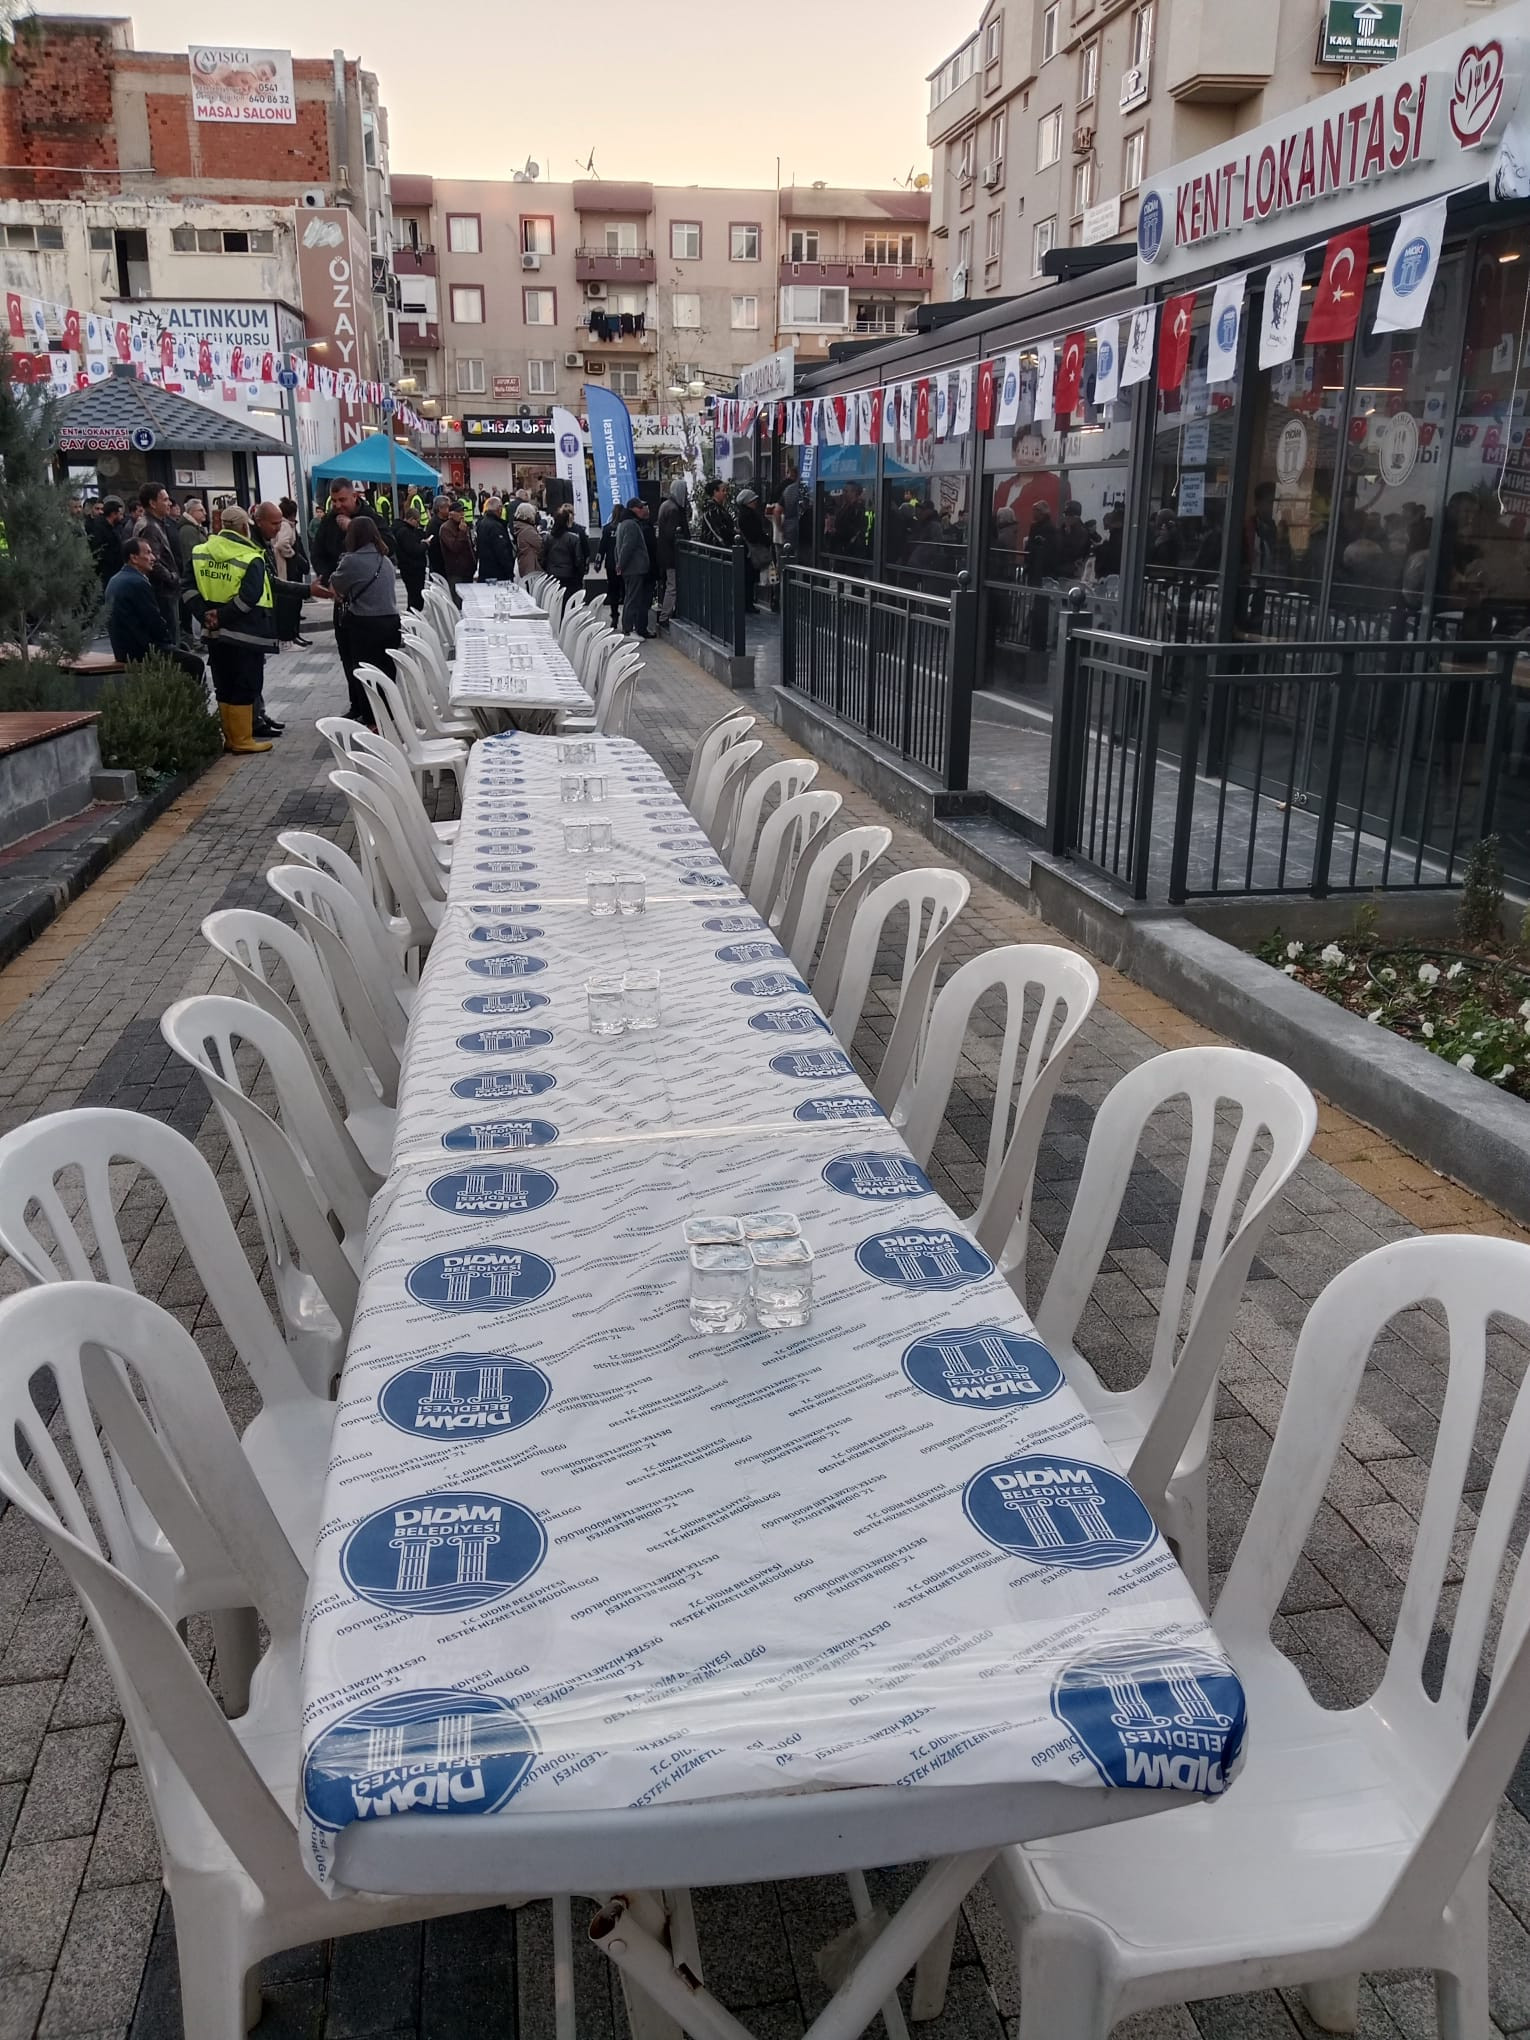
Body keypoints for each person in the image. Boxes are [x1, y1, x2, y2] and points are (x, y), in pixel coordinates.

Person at [191, 504, 276, 755]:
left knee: (224, 685)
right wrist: (223, 616)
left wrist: (206, 615)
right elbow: (249, 597)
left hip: (214, 634)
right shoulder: (251, 556)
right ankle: (242, 739)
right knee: (245, 684)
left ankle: (230, 738)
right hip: (245, 634)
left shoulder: (200, 552)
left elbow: (187, 588)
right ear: (243, 528)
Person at [331, 514, 403, 723]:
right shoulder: (385, 560)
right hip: (391, 623)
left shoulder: (351, 560)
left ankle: (371, 718)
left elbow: (336, 585)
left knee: (364, 672)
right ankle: (390, 714)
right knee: (386, 671)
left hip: (365, 624)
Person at [105, 537, 205, 683]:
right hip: (139, 650)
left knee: (182, 649)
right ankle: (185, 697)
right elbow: (153, 621)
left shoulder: (116, 579)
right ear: (134, 558)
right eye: (148, 553)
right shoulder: (137, 582)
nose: (153, 558)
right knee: (195, 663)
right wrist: (167, 642)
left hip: (122, 648)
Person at [129, 483, 182, 644]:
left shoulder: (157, 523)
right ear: (152, 503)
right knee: (169, 639)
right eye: (165, 500)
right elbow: (152, 562)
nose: (169, 503)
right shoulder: (150, 527)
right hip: (162, 592)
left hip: (163, 590)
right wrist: (172, 578)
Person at [615, 497, 653, 636]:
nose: (643, 509)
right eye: (640, 507)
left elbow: (618, 548)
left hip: (630, 568)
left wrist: (619, 563)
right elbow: (627, 546)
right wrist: (621, 564)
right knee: (632, 599)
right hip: (634, 568)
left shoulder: (623, 524)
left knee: (630, 598)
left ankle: (628, 628)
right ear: (633, 509)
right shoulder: (631, 524)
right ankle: (628, 629)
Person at [655, 477, 690, 628]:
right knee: (672, 586)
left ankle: (665, 612)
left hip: (664, 553)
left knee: (669, 584)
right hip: (671, 555)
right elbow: (672, 534)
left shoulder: (665, 505)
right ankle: (665, 616)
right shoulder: (674, 510)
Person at [429, 499, 476, 599]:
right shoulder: (446, 528)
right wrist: (462, 532)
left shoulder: (463, 525)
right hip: (456, 572)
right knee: (458, 600)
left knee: (469, 598)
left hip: (468, 570)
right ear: (451, 514)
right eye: (459, 512)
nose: (462, 514)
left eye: (463, 511)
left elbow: (469, 546)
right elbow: (455, 548)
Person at [735, 488, 772, 612]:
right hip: (751, 550)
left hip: (749, 550)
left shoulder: (744, 514)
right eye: (753, 500)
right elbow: (754, 534)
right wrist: (766, 539)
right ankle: (748, 604)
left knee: (749, 578)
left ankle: (748, 603)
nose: (755, 502)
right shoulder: (748, 516)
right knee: (749, 578)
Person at [544, 506, 587, 597]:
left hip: (552, 574)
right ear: (567, 522)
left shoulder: (547, 538)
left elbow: (543, 557)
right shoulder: (573, 538)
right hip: (569, 576)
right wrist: (579, 574)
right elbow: (578, 559)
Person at [85, 497, 125, 594]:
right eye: (119, 514)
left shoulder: (113, 528)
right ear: (113, 514)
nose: (122, 517)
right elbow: (99, 550)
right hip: (106, 573)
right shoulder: (99, 529)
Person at [394, 503, 429, 611]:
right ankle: (412, 617)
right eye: (417, 521)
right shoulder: (404, 532)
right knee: (415, 598)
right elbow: (414, 550)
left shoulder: (407, 530)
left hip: (411, 568)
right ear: (411, 519)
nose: (418, 524)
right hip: (412, 569)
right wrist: (425, 545)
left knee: (415, 597)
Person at [475, 495, 516, 582]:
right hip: (497, 572)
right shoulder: (496, 526)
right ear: (499, 509)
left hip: (485, 569)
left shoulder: (482, 523)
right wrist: (509, 570)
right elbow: (501, 550)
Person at [600, 502, 627, 627]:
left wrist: (598, 562)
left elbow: (602, 547)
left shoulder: (607, 529)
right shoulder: (626, 528)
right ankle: (627, 617)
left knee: (613, 591)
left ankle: (614, 615)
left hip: (611, 564)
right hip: (624, 564)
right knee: (626, 590)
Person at [697, 480, 735, 551]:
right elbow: (718, 529)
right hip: (714, 548)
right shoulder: (711, 508)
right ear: (715, 492)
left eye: (726, 490)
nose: (726, 493)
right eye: (723, 491)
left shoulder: (719, 508)